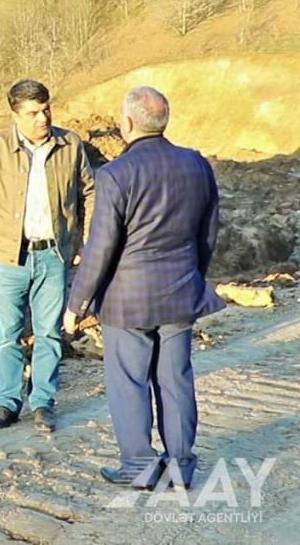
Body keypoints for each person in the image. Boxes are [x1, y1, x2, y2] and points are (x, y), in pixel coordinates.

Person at [64, 86, 224, 489]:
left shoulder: (115, 174)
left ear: (128, 123)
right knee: (176, 380)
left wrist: (77, 303)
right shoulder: (196, 165)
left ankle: (139, 466)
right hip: (180, 294)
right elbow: (208, 233)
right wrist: (193, 276)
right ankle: (181, 467)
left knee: (129, 383)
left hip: (127, 302)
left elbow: (101, 247)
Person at [0, 79, 95, 433]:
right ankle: (6, 402)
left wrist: (86, 241)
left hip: (53, 255)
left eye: (47, 109)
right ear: (16, 114)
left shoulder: (70, 145)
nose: (43, 118)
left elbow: (90, 192)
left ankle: (42, 403)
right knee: (7, 336)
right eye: (34, 112)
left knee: (49, 334)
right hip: (7, 258)